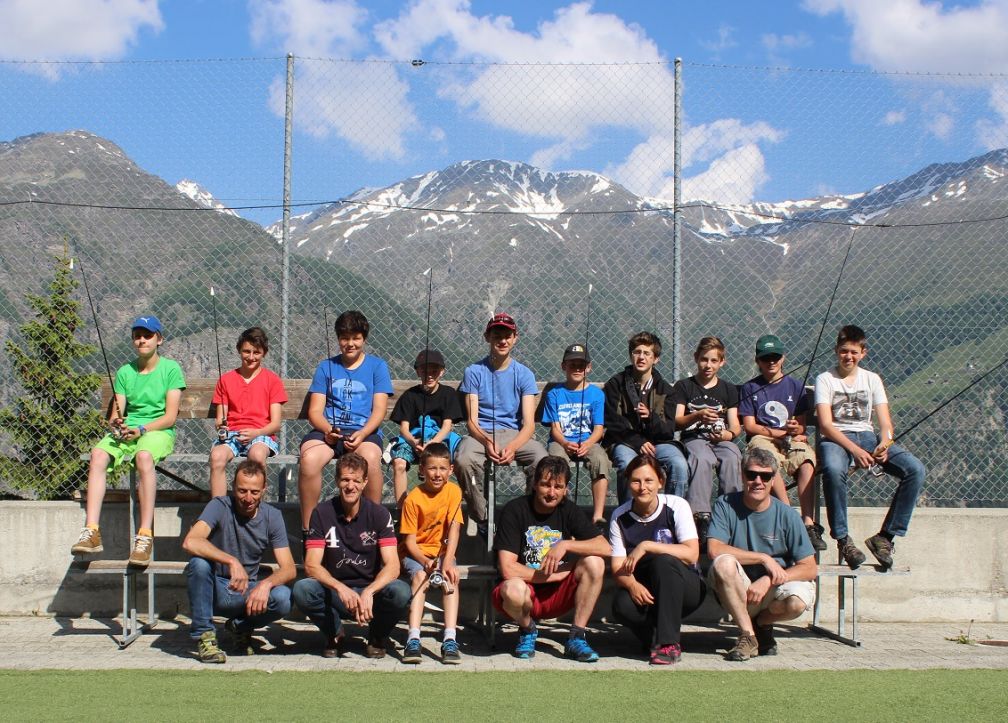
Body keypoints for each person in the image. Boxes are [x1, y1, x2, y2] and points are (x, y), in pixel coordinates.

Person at [70, 315, 186, 567]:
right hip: (130, 432)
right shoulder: (124, 372)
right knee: (98, 455)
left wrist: (142, 429)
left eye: (148, 335)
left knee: (144, 458)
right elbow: (117, 412)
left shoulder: (171, 369)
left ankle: (144, 536)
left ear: (159, 339)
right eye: (137, 335)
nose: (142, 340)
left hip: (157, 432)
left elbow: (169, 417)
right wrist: (117, 423)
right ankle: (91, 530)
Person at [815, 325, 926, 570]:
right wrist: (854, 451)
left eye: (854, 352)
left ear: (863, 352)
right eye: (844, 351)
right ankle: (843, 540)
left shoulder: (872, 379)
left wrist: (885, 444)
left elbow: (885, 423)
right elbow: (825, 425)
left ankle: (885, 537)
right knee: (833, 470)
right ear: (836, 351)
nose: (848, 357)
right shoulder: (825, 379)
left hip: (868, 437)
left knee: (915, 469)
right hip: (836, 439)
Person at [492, 456, 610, 662]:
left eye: (558, 486)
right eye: (546, 485)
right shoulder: (515, 510)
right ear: (535, 485)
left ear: (565, 489)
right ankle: (527, 629)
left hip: (558, 594)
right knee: (512, 589)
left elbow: (605, 548)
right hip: (524, 594)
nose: (552, 492)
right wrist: (550, 576)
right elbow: (508, 569)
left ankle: (576, 637)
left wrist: (565, 545)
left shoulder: (569, 510)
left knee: (595, 562)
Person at [292, 453, 409, 658]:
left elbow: (393, 566)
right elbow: (311, 565)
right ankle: (335, 633)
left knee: (400, 592)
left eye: (356, 480)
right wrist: (340, 588)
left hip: (369, 592)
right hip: (336, 591)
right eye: (345, 479)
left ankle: (377, 636)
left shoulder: (379, 514)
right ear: (337, 481)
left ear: (365, 483)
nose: (350, 486)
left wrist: (370, 591)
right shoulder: (321, 512)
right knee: (303, 589)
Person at [707, 447, 817, 661]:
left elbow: (810, 567)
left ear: (773, 479)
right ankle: (748, 636)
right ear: (742, 475)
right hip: (738, 585)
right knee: (723, 563)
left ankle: (762, 624)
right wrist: (763, 558)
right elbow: (714, 549)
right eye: (752, 474)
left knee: (796, 602)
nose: (758, 481)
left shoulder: (787, 515)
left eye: (765, 476)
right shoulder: (725, 505)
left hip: (773, 585)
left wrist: (769, 579)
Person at [182, 460, 295, 663]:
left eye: (254, 492)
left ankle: (240, 626)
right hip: (215, 588)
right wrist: (232, 561)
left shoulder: (273, 516)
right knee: (198, 564)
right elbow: (191, 541)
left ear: (264, 489)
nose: (248, 498)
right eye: (242, 491)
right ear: (233, 487)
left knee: (283, 597)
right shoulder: (219, 506)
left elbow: (288, 569)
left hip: (246, 592)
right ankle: (205, 638)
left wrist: (265, 585)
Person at [297, 310, 393, 539]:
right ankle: (310, 529)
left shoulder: (377, 367)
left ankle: (372, 524)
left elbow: (379, 410)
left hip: (364, 432)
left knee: (370, 459)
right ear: (338, 339)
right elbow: (314, 411)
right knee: (308, 459)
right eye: (345, 338)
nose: (350, 344)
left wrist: (362, 434)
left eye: (356, 338)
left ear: (364, 339)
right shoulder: (325, 367)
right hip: (329, 431)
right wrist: (328, 431)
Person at [609, 454, 705, 665]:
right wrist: (632, 585)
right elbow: (617, 567)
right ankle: (653, 637)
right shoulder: (619, 516)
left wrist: (647, 546)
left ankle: (669, 644)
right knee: (621, 606)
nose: (642, 487)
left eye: (649, 480)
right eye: (636, 481)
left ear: (660, 482)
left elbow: (691, 554)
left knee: (664, 561)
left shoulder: (677, 505)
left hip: (685, 587)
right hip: (647, 588)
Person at [455, 313, 548, 528]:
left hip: (515, 434)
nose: (503, 341)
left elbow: (529, 424)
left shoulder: (524, 374)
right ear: (487, 337)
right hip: (481, 433)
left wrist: (513, 447)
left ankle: (531, 513)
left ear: (515, 338)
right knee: (463, 459)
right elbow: (472, 420)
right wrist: (487, 441)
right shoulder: (474, 372)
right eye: (497, 335)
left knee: (542, 460)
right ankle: (481, 516)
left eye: (508, 336)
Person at [737, 334, 824, 551]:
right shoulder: (750, 388)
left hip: (790, 438)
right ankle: (788, 513)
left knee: (805, 459)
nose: (771, 362)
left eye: (775, 357)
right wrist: (778, 433)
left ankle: (808, 522)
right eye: (766, 358)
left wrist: (796, 430)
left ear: (783, 358)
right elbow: (749, 426)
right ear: (758, 361)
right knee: (766, 459)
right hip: (763, 437)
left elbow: (801, 426)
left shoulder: (796, 386)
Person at [672, 336, 743, 542]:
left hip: (721, 439)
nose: (708, 365)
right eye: (704, 359)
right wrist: (697, 415)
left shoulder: (728, 389)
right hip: (694, 438)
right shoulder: (684, 387)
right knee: (702, 459)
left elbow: (735, 425)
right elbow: (677, 421)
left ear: (722, 362)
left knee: (731, 457)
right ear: (696, 358)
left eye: (713, 361)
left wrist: (727, 435)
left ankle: (730, 512)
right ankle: (700, 516)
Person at [398, 443, 464, 665]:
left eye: (442, 468)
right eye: (432, 468)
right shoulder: (413, 499)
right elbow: (409, 541)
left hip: (442, 554)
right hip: (416, 554)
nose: (437, 474)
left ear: (451, 470)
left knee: (451, 578)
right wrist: (425, 562)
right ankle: (413, 638)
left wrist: (447, 561)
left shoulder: (454, 491)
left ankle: (450, 638)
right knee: (419, 578)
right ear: (422, 470)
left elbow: (454, 529)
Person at [603, 331, 688, 502]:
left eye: (647, 353)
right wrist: (638, 442)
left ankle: (671, 513)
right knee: (628, 465)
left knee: (679, 464)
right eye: (637, 352)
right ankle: (629, 516)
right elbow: (612, 422)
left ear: (655, 359)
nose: (641, 357)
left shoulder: (666, 390)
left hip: (658, 443)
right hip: (624, 442)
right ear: (631, 355)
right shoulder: (615, 384)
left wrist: (651, 418)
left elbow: (668, 431)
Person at [208, 327, 287, 497]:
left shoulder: (272, 380)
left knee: (257, 456)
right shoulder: (226, 380)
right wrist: (222, 425)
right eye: (246, 351)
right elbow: (220, 419)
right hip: (233, 435)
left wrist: (256, 432)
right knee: (217, 457)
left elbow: (275, 424)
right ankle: (218, 510)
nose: (251, 357)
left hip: (261, 435)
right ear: (239, 351)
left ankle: (255, 507)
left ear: (263, 353)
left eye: (256, 352)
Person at [541, 343, 611, 527]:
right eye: (572, 364)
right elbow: (554, 429)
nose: (577, 369)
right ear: (564, 366)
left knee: (600, 460)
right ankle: (560, 510)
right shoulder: (555, 394)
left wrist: (588, 444)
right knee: (556, 462)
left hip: (589, 441)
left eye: (581, 365)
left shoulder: (596, 394)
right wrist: (564, 443)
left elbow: (598, 429)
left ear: (589, 367)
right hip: (561, 441)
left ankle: (598, 515)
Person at [387, 348, 464, 508]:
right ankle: (402, 509)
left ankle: (442, 507)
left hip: (439, 440)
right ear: (418, 372)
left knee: (442, 465)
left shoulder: (448, 394)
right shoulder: (410, 396)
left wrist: (432, 444)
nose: (429, 375)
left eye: (434, 370)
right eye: (424, 370)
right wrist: (413, 442)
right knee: (399, 463)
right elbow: (404, 429)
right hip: (413, 441)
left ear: (441, 372)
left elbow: (447, 427)